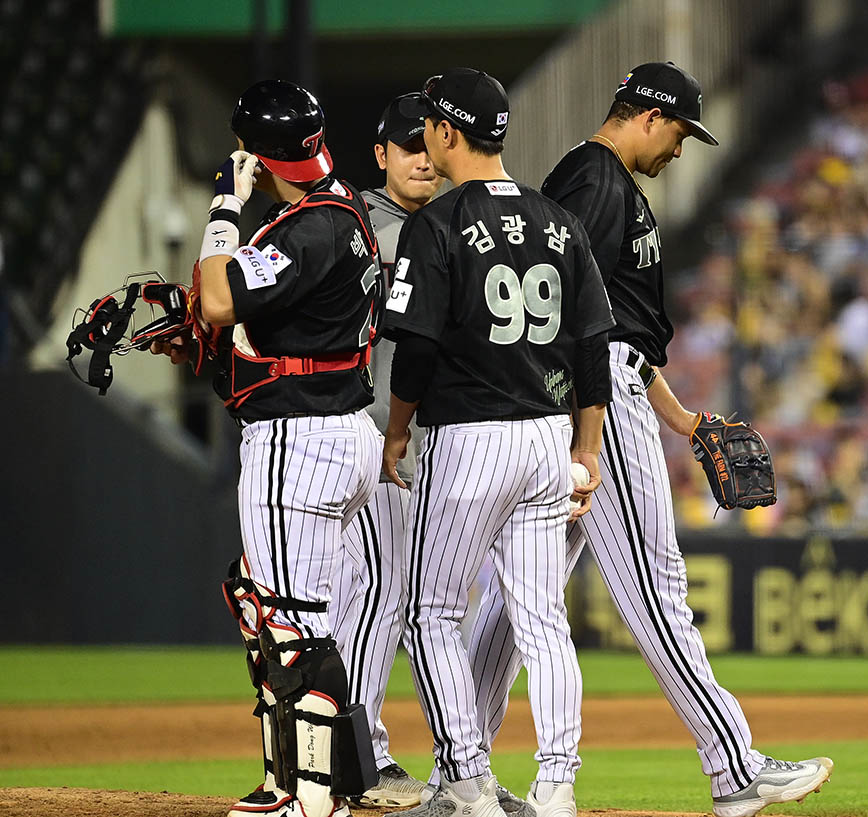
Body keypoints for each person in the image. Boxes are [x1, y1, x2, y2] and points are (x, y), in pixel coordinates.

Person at [455, 62, 834, 817]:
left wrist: (682, 418)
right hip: (595, 402)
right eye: (681, 132)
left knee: (516, 594)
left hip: (595, 393)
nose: (681, 149)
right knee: (656, 591)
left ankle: (461, 772)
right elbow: (568, 315)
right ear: (650, 116)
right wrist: (584, 431)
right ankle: (736, 769)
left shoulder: (601, 180)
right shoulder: (596, 183)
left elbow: (614, 325)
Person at [379, 67, 614, 817]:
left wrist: (396, 430)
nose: (426, 138)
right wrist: (588, 449)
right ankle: (558, 783)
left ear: (447, 132)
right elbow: (594, 349)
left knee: (430, 612)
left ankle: (466, 779)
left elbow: (415, 350)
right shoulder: (560, 221)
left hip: (470, 439)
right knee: (543, 620)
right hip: (549, 439)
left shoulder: (437, 223)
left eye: (429, 126)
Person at [156, 79, 384, 817]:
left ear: (254, 152)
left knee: (292, 625)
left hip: (300, 439)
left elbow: (221, 298)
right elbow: (272, 324)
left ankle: (314, 800)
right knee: (268, 611)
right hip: (339, 429)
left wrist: (225, 206)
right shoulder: (341, 206)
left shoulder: (308, 228)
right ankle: (286, 781)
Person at [328, 91, 439, 810]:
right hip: (367, 432)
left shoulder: (449, 225)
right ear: (381, 155)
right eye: (407, 147)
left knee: (369, 596)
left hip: (413, 439)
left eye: (430, 144)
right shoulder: (356, 224)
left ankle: (336, 748)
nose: (421, 159)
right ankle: (357, 754)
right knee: (377, 589)